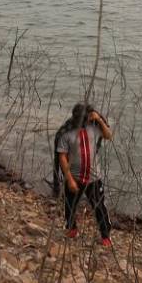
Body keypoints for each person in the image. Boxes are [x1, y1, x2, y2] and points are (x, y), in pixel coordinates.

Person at [55, 102, 113, 244]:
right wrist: (69, 179)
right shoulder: (66, 133)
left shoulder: (94, 128)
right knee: (70, 206)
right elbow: (62, 157)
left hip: (94, 178)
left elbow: (108, 135)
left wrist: (99, 119)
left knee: (99, 207)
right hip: (74, 177)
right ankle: (72, 228)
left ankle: (105, 236)